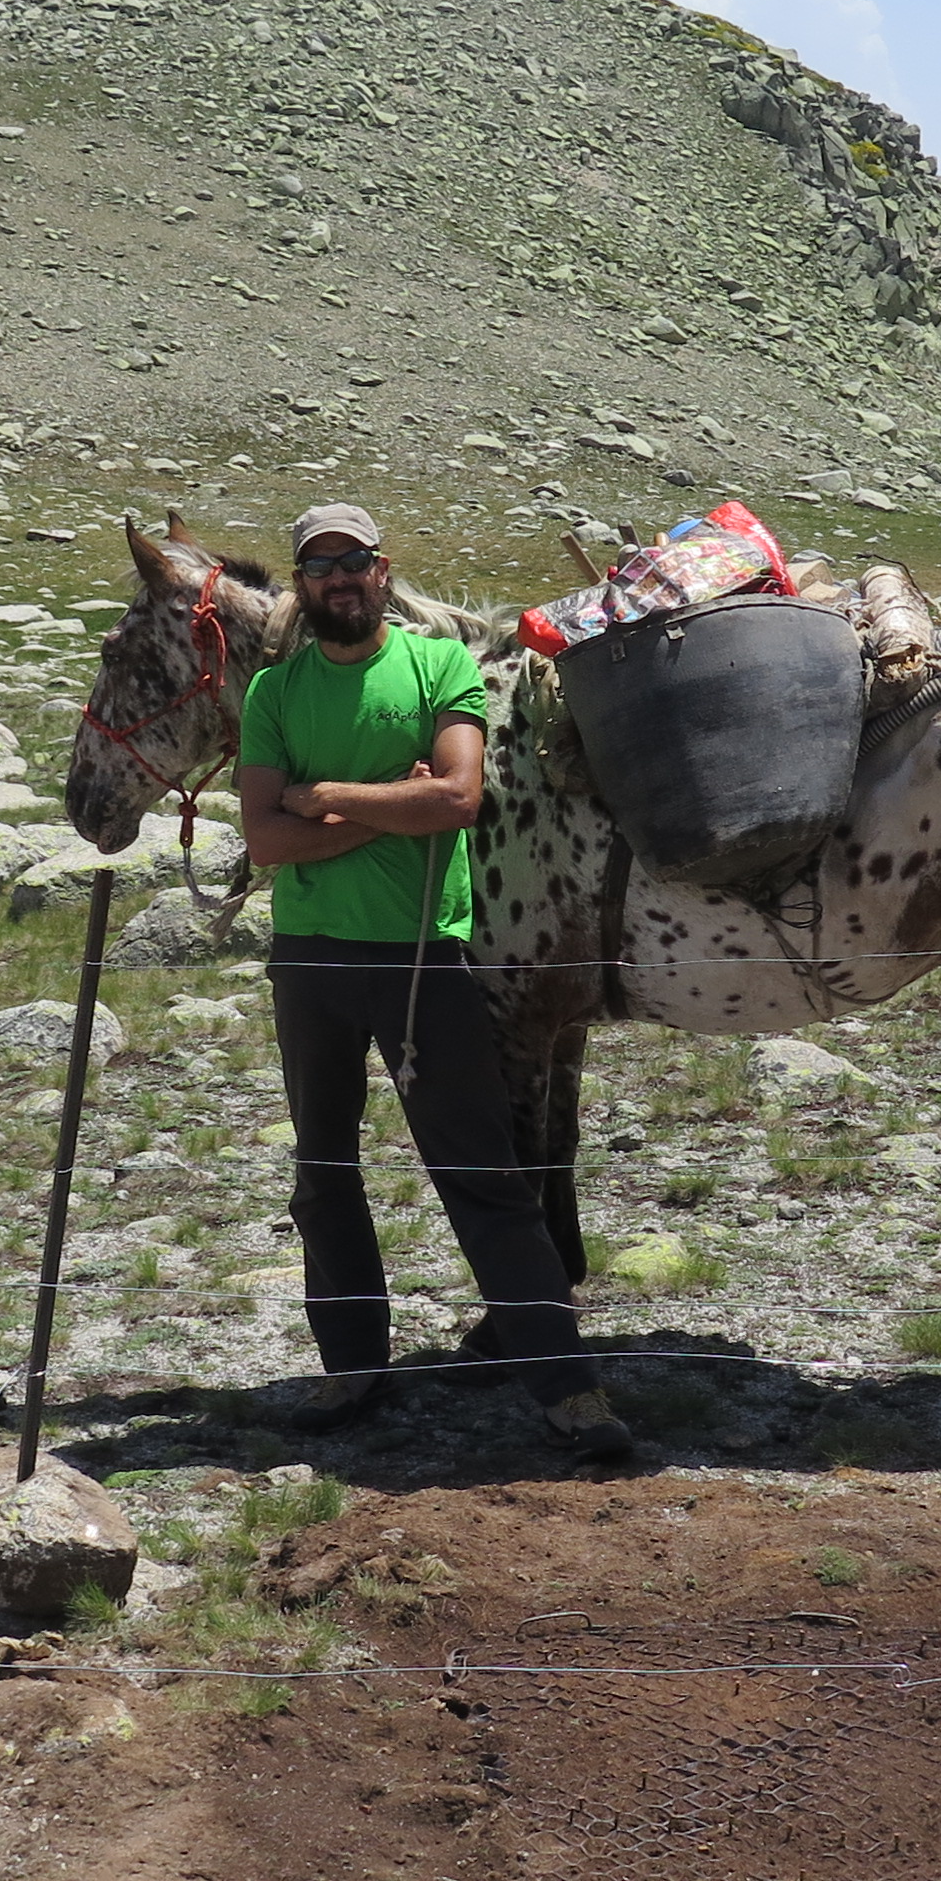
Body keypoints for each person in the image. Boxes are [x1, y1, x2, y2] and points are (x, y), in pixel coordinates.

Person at [235, 504, 634, 1464]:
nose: (340, 580)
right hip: (311, 960)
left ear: (383, 571)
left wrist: (326, 798)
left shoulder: (438, 668)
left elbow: (458, 798)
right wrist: (392, 810)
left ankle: (565, 1385)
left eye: (356, 563)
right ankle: (353, 1362)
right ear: (301, 585)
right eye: (321, 568)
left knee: (482, 1168)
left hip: (424, 956)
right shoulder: (272, 694)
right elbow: (263, 840)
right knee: (324, 1172)